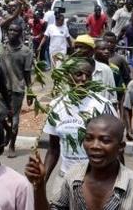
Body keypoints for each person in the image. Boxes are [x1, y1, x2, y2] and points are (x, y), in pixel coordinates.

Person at [26, 114, 133, 209]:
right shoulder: (73, 178)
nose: (94, 146)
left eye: (105, 140)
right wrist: (39, 186)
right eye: (89, 138)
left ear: (120, 148)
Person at [41, 58, 116, 189]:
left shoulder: (102, 105)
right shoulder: (56, 106)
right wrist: (41, 183)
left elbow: (115, 148)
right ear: (68, 77)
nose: (83, 79)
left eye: (88, 75)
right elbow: (53, 149)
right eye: (78, 74)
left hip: (95, 179)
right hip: (65, 178)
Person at [0, 22, 34, 157]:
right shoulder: (1, 48)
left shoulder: (26, 52)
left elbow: (27, 74)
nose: (11, 33)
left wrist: (30, 91)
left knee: (14, 118)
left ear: (20, 34)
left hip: (17, 89)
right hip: (1, 88)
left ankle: (12, 145)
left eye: (15, 31)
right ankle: (8, 131)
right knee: (0, 116)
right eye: (10, 30)